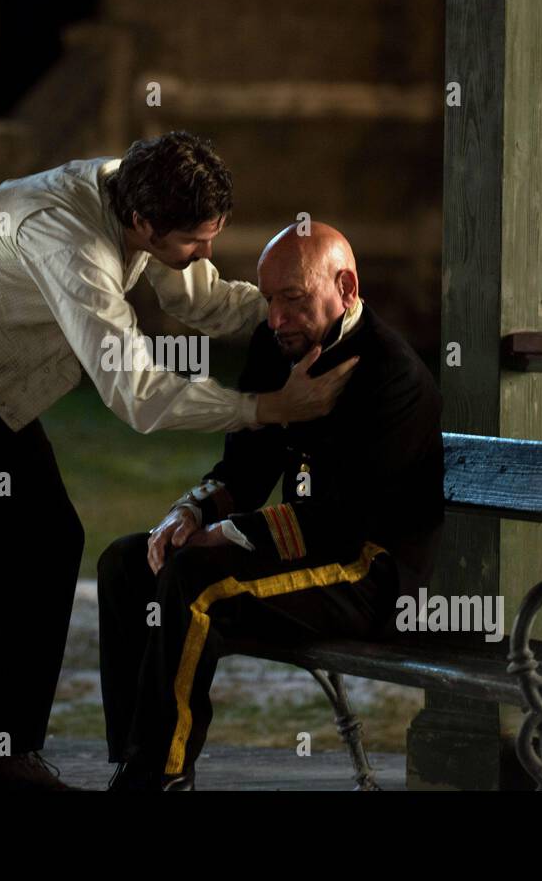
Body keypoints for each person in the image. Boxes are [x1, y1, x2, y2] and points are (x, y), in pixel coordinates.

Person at [0, 133, 360, 790]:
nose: (207, 252)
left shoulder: (138, 191)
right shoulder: (73, 243)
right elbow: (135, 393)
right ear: (144, 223)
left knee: (53, 537)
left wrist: (296, 309)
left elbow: (197, 300)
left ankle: (4, 751)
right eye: (195, 240)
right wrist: (267, 408)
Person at [97, 221, 445, 790]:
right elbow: (244, 469)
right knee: (127, 565)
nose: (277, 317)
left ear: (347, 287)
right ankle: (135, 759)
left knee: (194, 581)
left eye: (294, 299)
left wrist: (229, 536)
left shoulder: (392, 375)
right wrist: (191, 513)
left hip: (368, 573)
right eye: (268, 299)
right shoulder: (274, 343)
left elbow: (341, 523)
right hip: (303, 555)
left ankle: (159, 777)